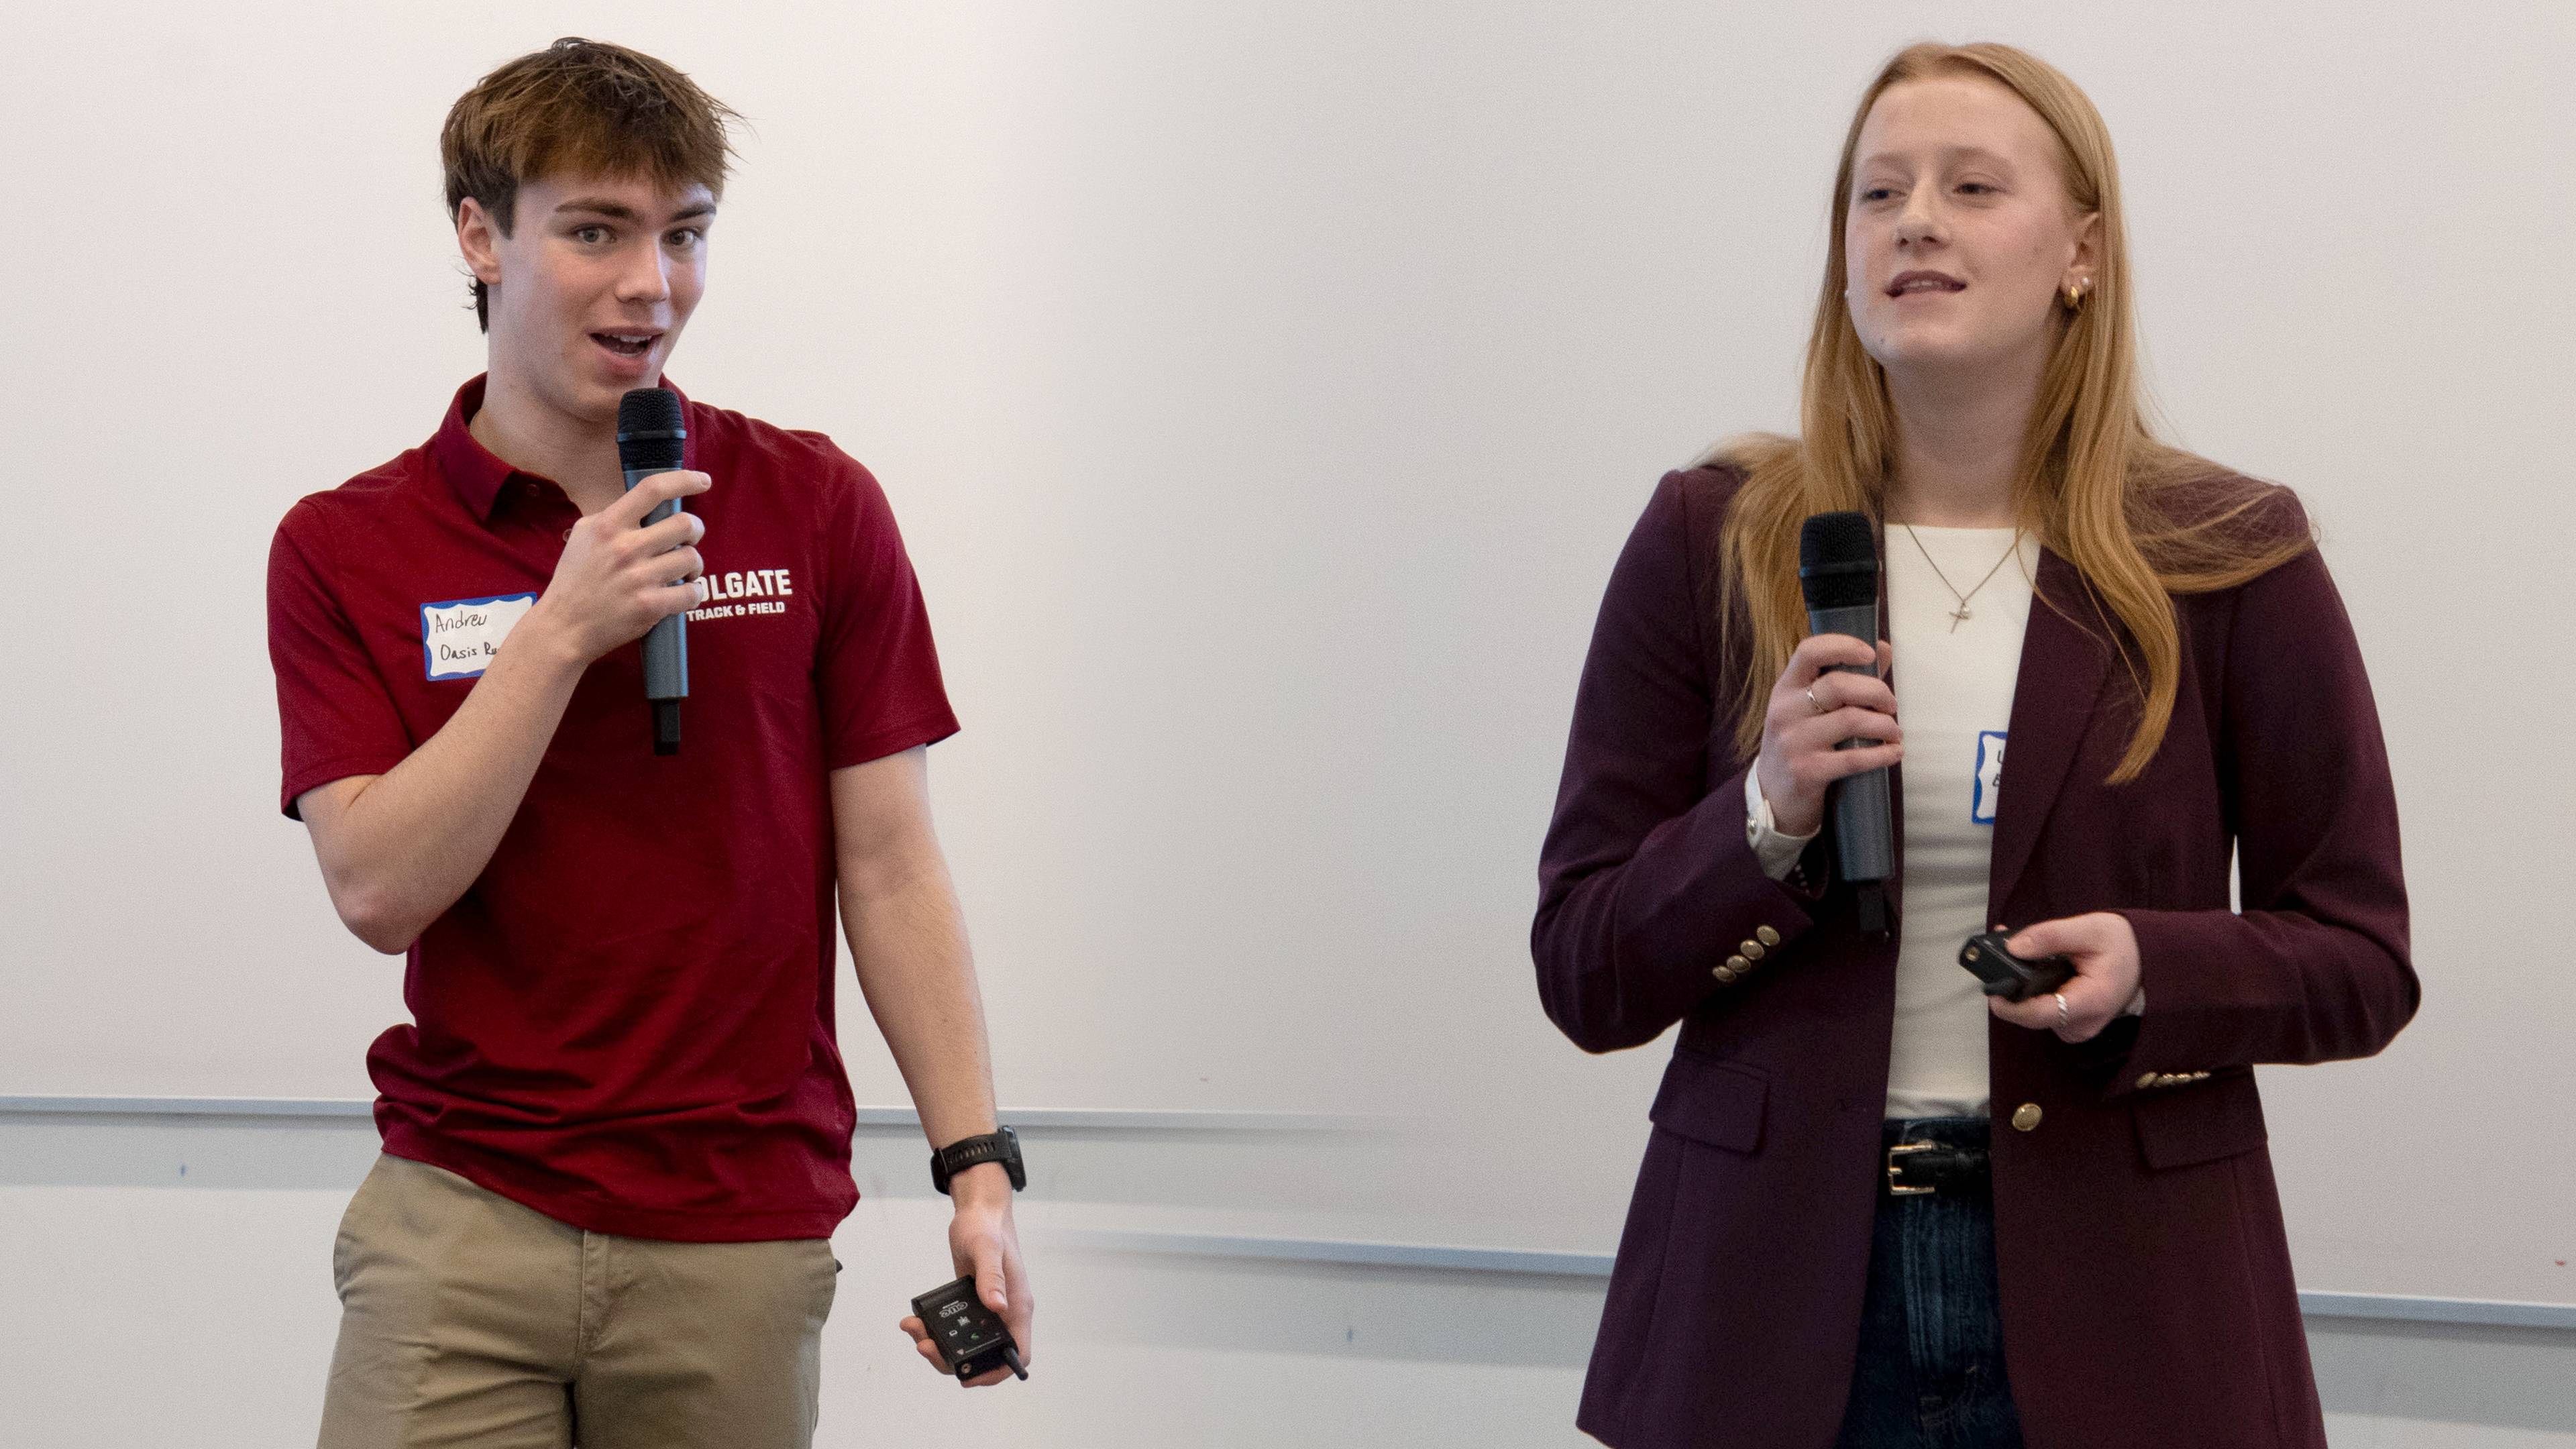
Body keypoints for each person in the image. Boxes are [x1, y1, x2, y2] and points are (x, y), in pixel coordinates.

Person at [1532, 41, 2414, 1449]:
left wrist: (2153, 970)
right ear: (1843, 259)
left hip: (2128, 1305)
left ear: (2083, 250)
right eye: (1878, 194)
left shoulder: (2228, 557)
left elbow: (2362, 961)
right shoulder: (1715, 536)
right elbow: (1582, 970)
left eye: (1970, 186)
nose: (1915, 220)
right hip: (1775, 1310)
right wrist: (1761, 815)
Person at [265, 38, 1033, 1446]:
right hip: (464, 1215)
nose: (651, 285)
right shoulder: (344, 545)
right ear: (481, 235)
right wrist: (559, 632)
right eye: (596, 232)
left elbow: (894, 864)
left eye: (684, 234)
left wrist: (975, 1169)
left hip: (733, 1232)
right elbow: (377, 889)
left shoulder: (815, 504)